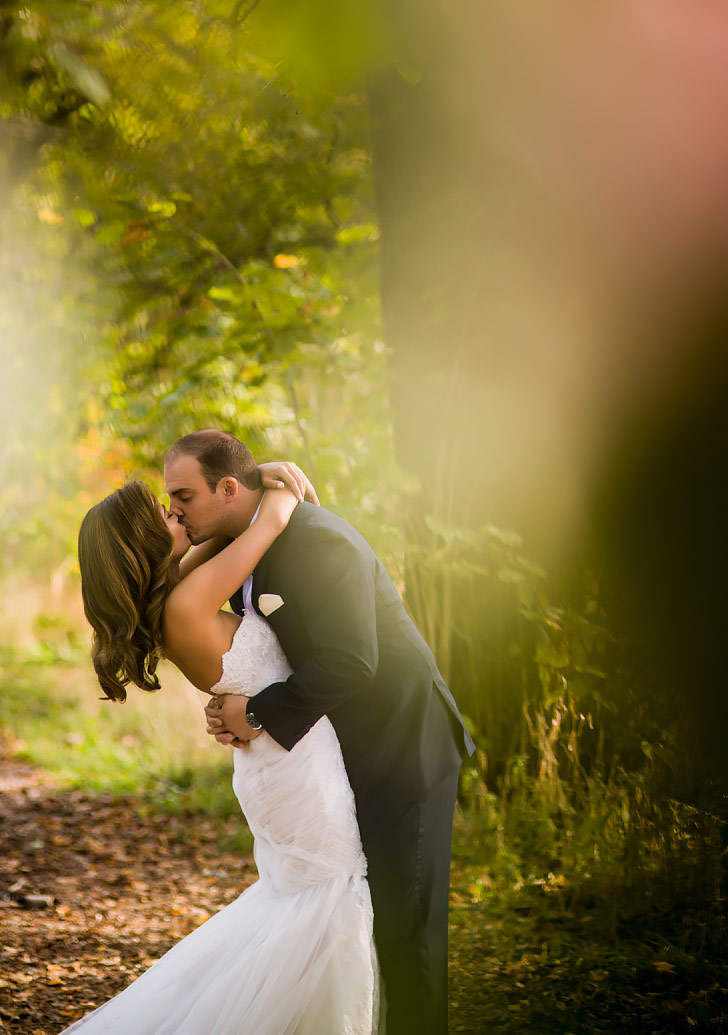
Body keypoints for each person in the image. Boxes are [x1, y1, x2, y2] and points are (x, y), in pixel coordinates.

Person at [166, 430, 476, 1035]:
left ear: (227, 488)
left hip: (403, 745)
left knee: (407, 930)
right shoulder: (252, 539)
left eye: (184, 494)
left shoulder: (315, 543)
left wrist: (255, 711)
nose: (176, 508)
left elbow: (350, 661)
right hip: (345, 751)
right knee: (369, 920)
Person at [64, 461, 379, 1035]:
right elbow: (271, 521)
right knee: (326, 905)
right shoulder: (186, 600)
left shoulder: (176, 592)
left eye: (175, 502)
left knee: (309, 907)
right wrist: (274, 477)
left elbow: (230, 528)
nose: (175, 511)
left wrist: (247, 478)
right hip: (290, 765)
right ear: (143, 542)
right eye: (162, 513)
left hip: (275, 757)